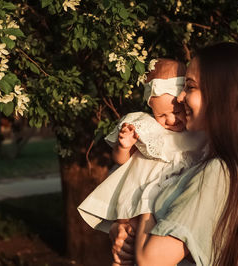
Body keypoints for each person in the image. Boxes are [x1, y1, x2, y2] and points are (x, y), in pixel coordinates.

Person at [110, 42, 238, 266]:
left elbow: (151, 260)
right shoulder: (209, 164)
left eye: (190, 87)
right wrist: (126, 232)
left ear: (222, 96)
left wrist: (145, 202)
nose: (179, 97)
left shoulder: (219, 173)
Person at [77, 59, 207, 249]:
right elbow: (121, 161)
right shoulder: (145, 127)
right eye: (161, 115)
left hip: (168, 200)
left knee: (151, 242)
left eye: (176, 111)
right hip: (138, 196)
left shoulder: (195, 134)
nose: (171, 120)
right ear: (151, 109)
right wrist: (124, 146)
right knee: (126, 237)